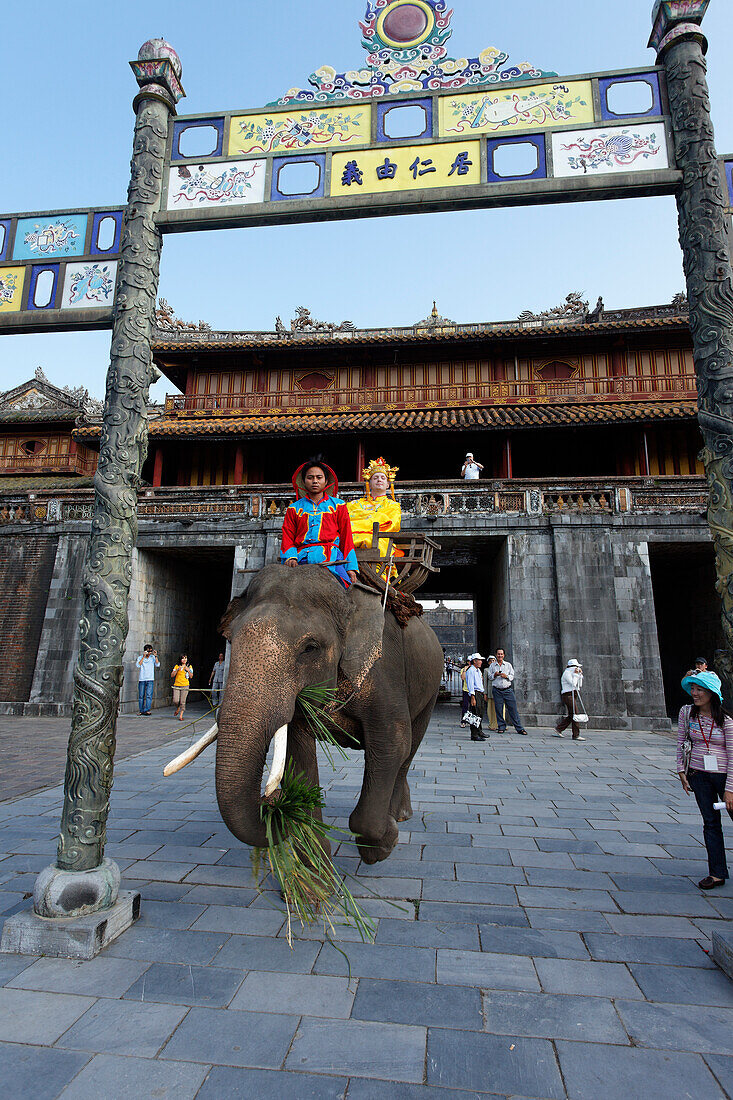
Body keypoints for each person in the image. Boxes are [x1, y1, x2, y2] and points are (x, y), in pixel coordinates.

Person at [677, 670, 733, 889]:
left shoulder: (726, 721)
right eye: (693, 688)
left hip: (724, 776)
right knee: (711, 823)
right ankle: (717, 872)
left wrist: (730, 789)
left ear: (711, 693)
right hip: (698, 774)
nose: (695, 693)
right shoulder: (686, 713)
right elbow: (681, 741)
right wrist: (681, 770)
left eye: (699, 689)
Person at [281, 458, 358, 588]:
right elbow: (288, 535)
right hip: (301, 558)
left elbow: (346, 537)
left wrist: (350, 567)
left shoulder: (338, 506)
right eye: (310, 478)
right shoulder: (293, 508)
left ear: (326, 481)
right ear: (304, 481)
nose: (315, 481)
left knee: (346, 588)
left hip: (332, 557)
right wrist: (291, 557)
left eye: (319, 477)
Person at [347, 456, 403, 579]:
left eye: (383, 478)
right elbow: (345, 521)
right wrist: (376, 517)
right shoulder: (353, 504)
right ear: (369, 483)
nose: (379, 480)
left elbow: (392, 525)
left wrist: (360, 517)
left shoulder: (393, 505)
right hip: (351, 541)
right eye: (375, 478)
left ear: (388, 484)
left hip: (379, 540)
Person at [487, 648, 527, 735]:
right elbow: (489, 677)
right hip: (497, 690)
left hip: (507, 690)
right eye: (498, 654)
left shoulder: (508, 665)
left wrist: (506, 676)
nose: (500, 655)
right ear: (496, 655)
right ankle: (501, 726)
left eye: (501, 654)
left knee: (513, 709)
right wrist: (495, 674)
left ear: (504, 655)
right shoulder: (492, 666)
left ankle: (519, 728)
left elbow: (512, 676)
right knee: (499, 709)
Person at [555, 659, 585, 740]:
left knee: (572, 714)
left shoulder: (573, 674)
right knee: (575, 714)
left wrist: (580, 676)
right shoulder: (567, 673)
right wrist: (575, 675)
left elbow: (579, 685)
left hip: (574, 694)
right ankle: (576, 735)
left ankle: (559, 729)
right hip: (568, 695)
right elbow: (573, 684)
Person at [466, 653, 487, 741]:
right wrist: (472, 696)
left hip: (480, 693)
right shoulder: (471, 670)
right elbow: (470, 684)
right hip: (475, 693)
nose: (481, 662)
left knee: (480, 713)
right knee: (475, 714)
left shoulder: (478, 670)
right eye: (479, 660)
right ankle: (474, 734)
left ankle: (479, 731)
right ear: (474, 661)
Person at [135, 644, 159, 716]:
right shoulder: (140, 657)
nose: (149, 653)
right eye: (148, 651)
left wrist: (155, 656)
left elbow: (157, 665)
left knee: (149, 695)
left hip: (150, 678)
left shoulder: (152, 657)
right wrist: (143, 657)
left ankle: (147, 710)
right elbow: (138, 665)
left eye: (150, 651)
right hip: (142, 678)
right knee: (141, 695)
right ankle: (141, 710)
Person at [171, 654, 193, 721]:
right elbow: (172, 675)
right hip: (177, 685)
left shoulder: (189, 666)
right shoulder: (177, 666)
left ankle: (181, 715)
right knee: (176, 700)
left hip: (185, 685)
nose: (184, 660)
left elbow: (191, 676)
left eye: (185, 658)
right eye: (183, 658)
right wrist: (177, 670)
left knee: (182, 701)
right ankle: (178, 708)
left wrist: (188, 670)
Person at [483, 654, 499, 732]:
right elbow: (485, 682)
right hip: (490, 691)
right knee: (491, 708)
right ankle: (492, 724)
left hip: (498, 691)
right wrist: (485, 693)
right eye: (490, 661)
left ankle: (500, 723)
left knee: (500, 708)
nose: (492, 662)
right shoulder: (486, 670)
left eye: (493, 660)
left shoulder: (499, 669)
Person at [459, 659, 471, 727]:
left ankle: (472, 721)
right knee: (465, 706)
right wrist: (464, 670)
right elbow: (463, 678)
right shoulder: (464, 669)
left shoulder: (475, 669)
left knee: (474, 707)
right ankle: (463, 721)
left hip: (474, 690)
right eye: (469, 661)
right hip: (466, 689)